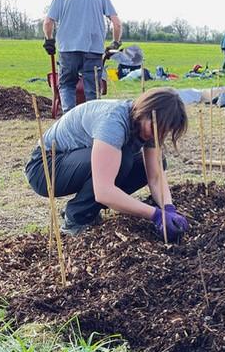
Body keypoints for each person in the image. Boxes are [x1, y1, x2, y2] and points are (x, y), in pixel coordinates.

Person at [25, 87, 189, 240]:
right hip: (45, 168)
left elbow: (155, 177)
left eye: (164, 132)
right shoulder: (113, 122)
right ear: (145, 112)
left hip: (74, 163)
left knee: (146, 165)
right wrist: (155, 215)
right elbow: (104, 192)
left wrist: (168, 209)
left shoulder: (148, 127)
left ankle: (87, 209)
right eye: (157, 128)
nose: (158, 135)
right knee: (123, 160)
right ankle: (76, 218)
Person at [43, 0, 122, 113]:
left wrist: (49, 40)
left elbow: (48, 22)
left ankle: (68, 119)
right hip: (93, 50)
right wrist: (115, 43)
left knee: (66, 85)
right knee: (92, 90)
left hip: (68, 50)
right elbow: (117, 24)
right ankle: (91, 122)